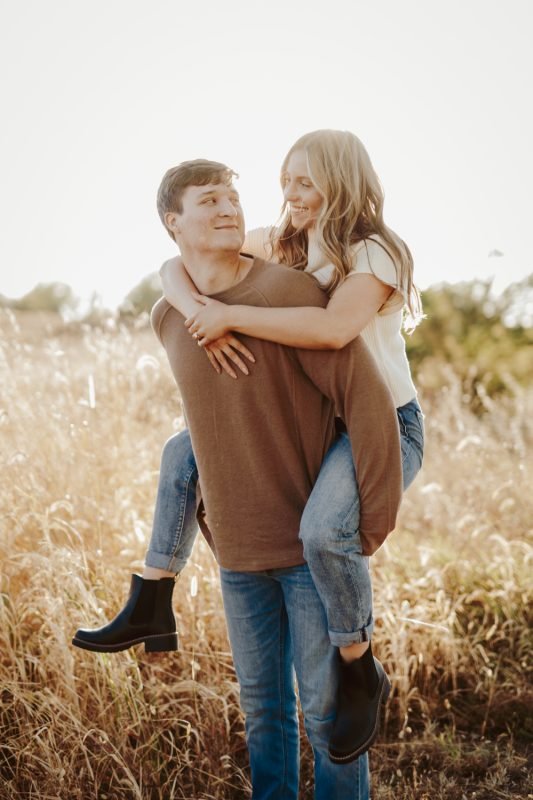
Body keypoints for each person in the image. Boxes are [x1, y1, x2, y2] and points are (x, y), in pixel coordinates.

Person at [73, 130, 424, 766]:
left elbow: (333, 329)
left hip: (388, 420)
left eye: (305, 183)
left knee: (321, 532)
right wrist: (192, 307)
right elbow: (176, 264)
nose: (288, 196)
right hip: (334, 419)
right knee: (183, 452)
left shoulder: (375, 251)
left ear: (342, 182)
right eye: (285, 181)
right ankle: (152, 591)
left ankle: (358, 664)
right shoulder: (289, 238)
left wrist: (229, 318)